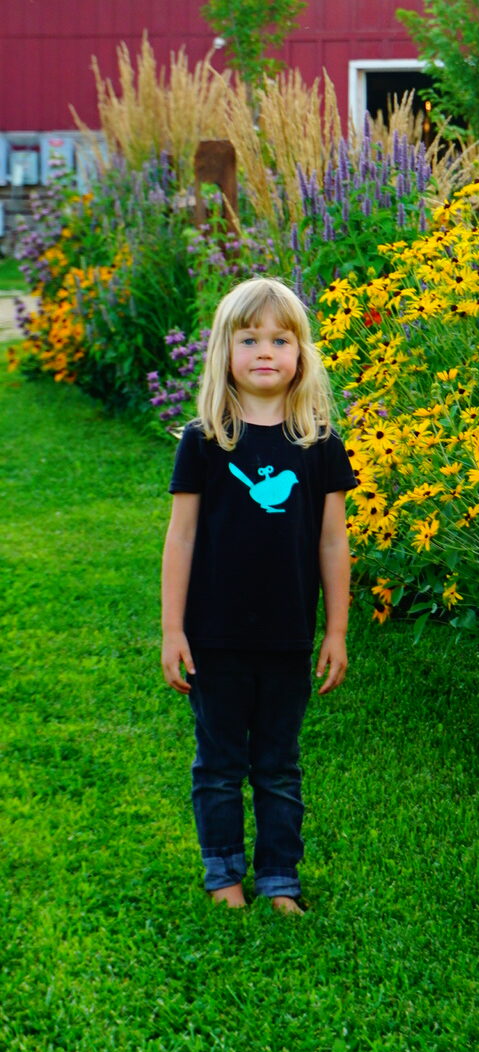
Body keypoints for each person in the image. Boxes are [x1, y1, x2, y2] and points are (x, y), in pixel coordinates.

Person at [160, 277, 356, 913]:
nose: (265, 351)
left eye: (280, 338)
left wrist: (335, 632)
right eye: (249, 339)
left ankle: (279, 877)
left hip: (286, 636)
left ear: (302, 354)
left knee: (277, 764)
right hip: (213, 636)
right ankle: (224, 875)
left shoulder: (319, 445)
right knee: (218, 764)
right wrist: (172, 630)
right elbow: (182, 540)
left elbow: (332, 544)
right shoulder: (206, 440)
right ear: (224, 352)